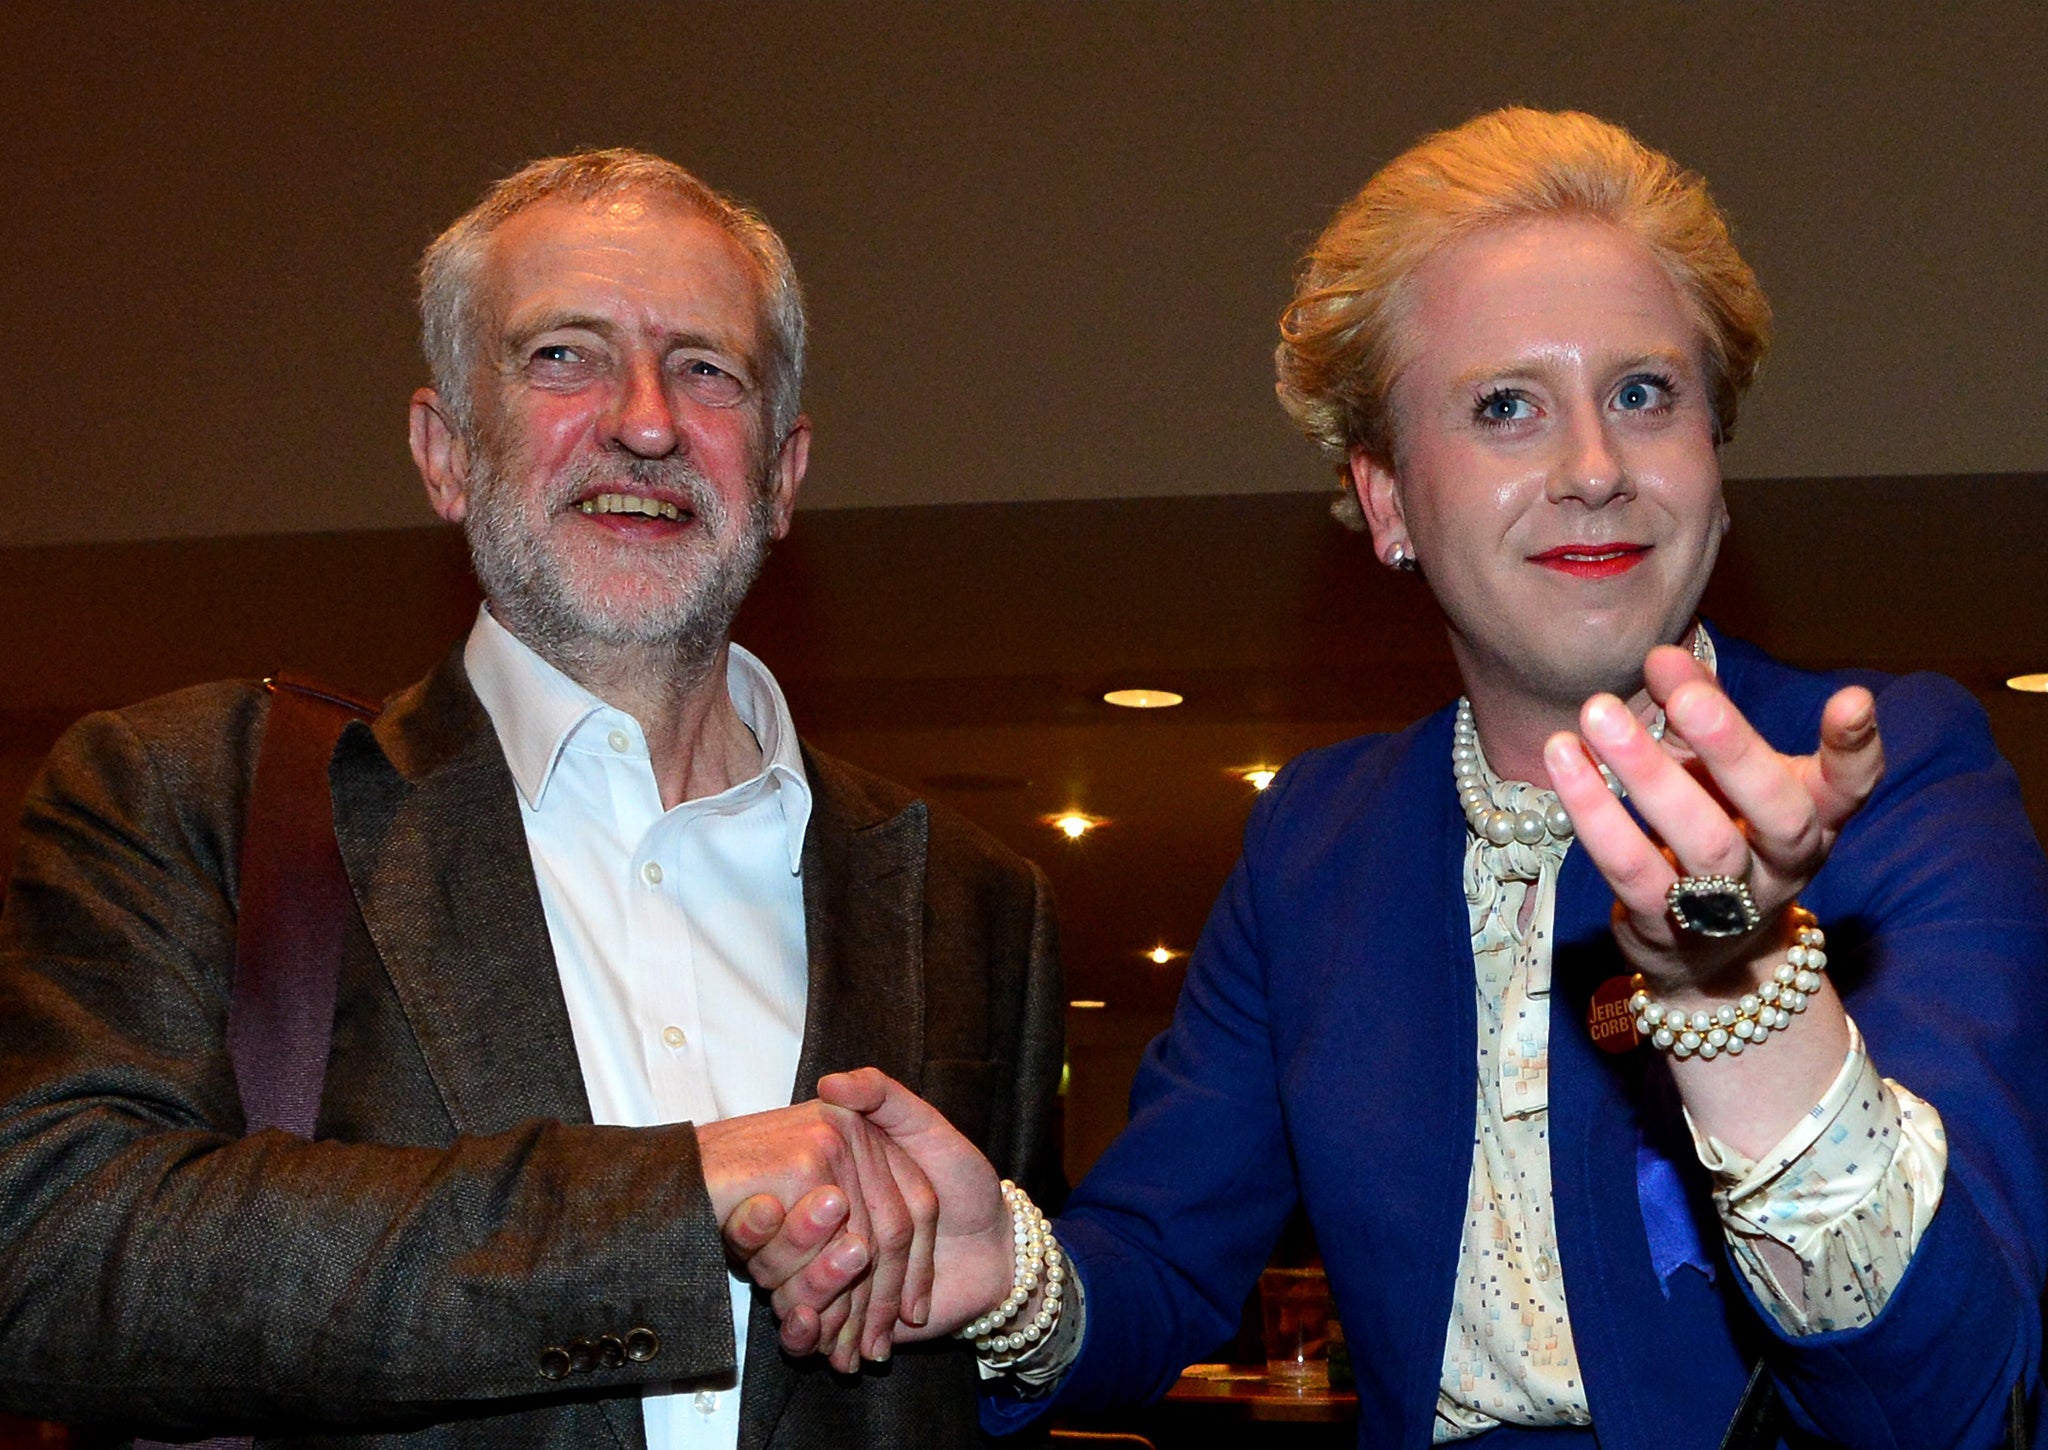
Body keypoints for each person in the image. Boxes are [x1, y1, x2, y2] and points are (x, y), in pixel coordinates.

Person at [743, 109, 2048, 1447]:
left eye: (1645, 394)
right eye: (1506, 407)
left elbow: (1953, 1396)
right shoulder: (1318, 840)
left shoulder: (1895, 770)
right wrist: (1004, 1277)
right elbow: (1162, 1262)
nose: (1594, 467)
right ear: (1386, 503)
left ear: (1714, 461)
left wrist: (1748, 1009)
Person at [0, 149, 1062, 1448]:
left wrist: (1033, 1307)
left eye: (705, 367)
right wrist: (677, 1203)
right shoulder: (191, 796)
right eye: (564, 354)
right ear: (444, 451)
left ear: (782, 478)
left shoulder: (973, 903)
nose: (648, 418)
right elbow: (52, 1256)